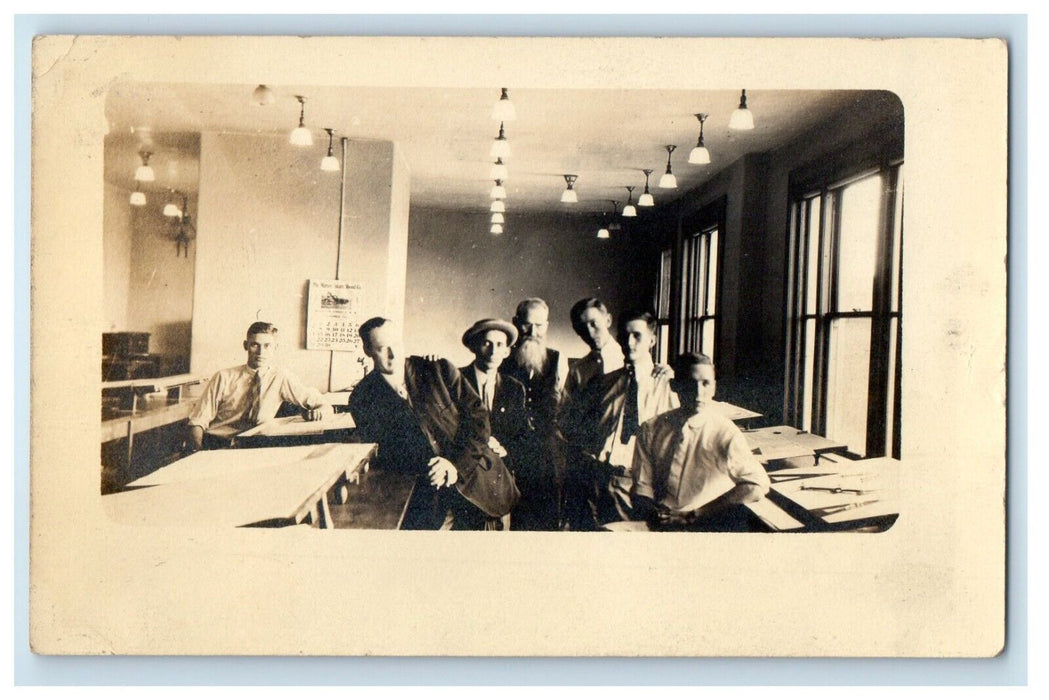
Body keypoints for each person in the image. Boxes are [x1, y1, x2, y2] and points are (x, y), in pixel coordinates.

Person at [348, 317, 518, 530]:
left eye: (397, 344)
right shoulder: (363, 398)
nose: (393, 354)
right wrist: (432, 471)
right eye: (382, 348)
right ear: (367, 350)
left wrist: (454, 465)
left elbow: (479, 420)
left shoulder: (437, 369)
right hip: (426, 501)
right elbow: (385, 456)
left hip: (477, 488)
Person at [559, 310, 678, 529]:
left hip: (635, 483)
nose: (629, 342)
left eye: (637, 336)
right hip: (596, 479)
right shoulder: (605, 383)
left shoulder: (667, 386)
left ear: (652, 340)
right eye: (624, 336)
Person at [632, 353, 770, 532]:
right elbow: (642, 487)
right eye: (690, 383)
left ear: (713, 387)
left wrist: (695, 514)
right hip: (660, 523)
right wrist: (654, 514)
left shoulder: (724, 432)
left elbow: (756, 486)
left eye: (705, 383)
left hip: (706, 525)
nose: (698, 393)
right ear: (674, 385)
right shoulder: (651, 428)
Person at [186, 321, 332, 452]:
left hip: (254, 445)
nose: (261, 352)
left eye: (267, 346)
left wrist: (320, 412)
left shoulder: (280, 377)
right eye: (255, 345)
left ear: (275, 348)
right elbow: (198, 421)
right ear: (246, 345)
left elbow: (324, 405)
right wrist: (196, 452)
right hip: (217, 444)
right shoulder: (223, 377)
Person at [498, 298, 569, 530]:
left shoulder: (558, 360)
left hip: (547, 455)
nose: (533, 332)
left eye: (540, 326)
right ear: (516, 323)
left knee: (548, 521)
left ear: (546, 326)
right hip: (512, 451)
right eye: (528, 324)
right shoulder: (501, 359)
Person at [459, 318, 530, 528]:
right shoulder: (456, 380)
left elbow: (521, 434)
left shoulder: (514, 388)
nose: (492, 351)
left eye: (500, 345)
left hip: (499, 477)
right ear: (473, 347)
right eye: (486, 343)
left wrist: (506, 449)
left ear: (507, 352)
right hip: (466, 478)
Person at [564, 297, 624, 401]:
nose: (590, 333)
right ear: (577, 331)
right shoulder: (577, 370)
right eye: (582, 327)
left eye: (594, 324)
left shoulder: (629, 358)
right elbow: (567, 412)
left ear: (608, 320)